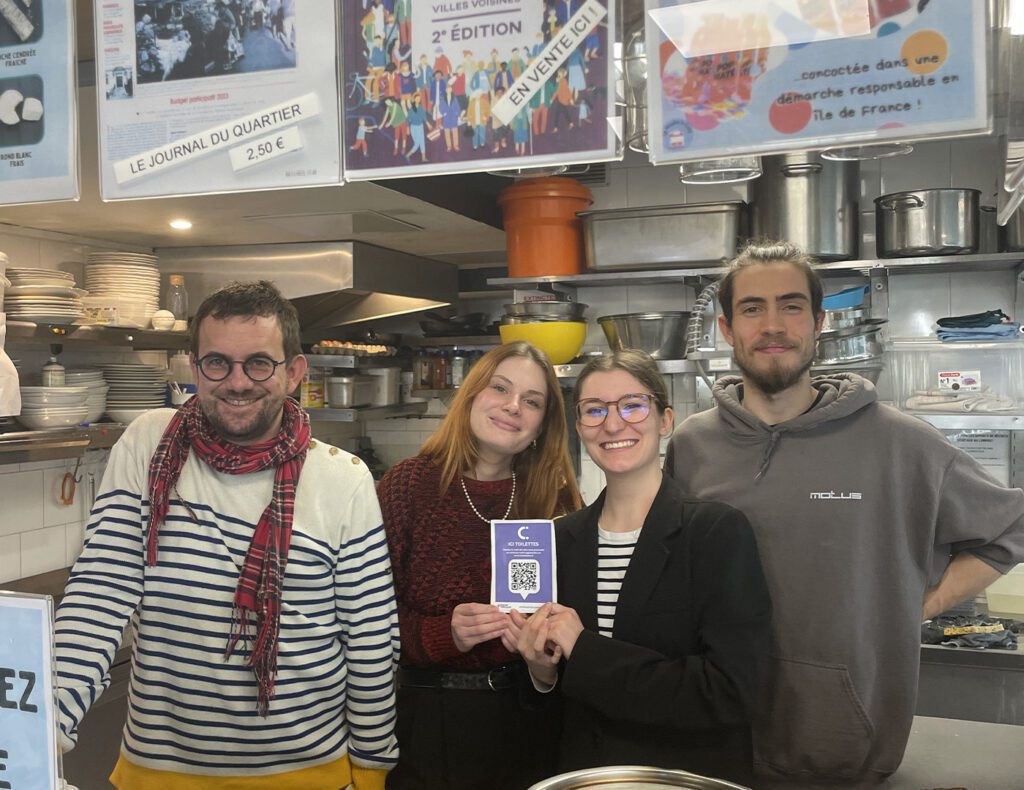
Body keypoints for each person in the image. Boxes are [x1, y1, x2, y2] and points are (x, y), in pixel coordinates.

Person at [665, 241, 1024, 789]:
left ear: (818, 322)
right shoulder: (692, 446)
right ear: (727, 329)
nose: (773, 325)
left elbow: (1010, 528)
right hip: (713, 740)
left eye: (791, 305)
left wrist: (917, 605)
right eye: (752, 308)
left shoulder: (901, 444)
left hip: (842, 752)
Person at [53, 281, 399, 790]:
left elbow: (370, 641)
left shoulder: (343, 478)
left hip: (305, 775)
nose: (237, 383)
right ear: (195, 368)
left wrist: (370, 769)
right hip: (160, 774)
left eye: (258, 363)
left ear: (294, 372)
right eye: (218, 363)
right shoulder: (148, 445)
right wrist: (44, 720)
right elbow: (100, 591)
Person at [516, 350, 771, 787]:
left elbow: (732, 692)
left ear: (665, 419)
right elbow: (553, 706)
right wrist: (540, 673)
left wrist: (585, 650)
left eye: (632, 405)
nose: (613, 425)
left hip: (683, 778)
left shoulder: (715, 532)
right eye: (594, 411)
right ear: (579, 427)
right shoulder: (558, 541)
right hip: (585, 777)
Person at [377, 341, 583, 790]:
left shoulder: (556, 498)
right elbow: (366, 621)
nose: (513, 407)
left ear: (542, 426)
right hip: (427, 720)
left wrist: (543, 652)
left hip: (529, 717)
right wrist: (442, 634)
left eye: (532, 401)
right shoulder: (408, 485)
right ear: (471, 396)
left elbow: (578, 624)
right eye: (500, 389)